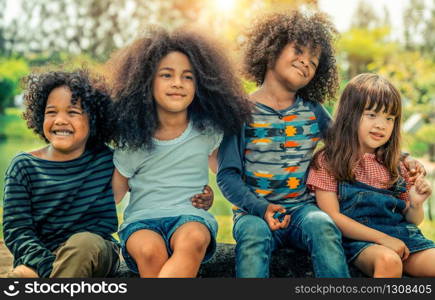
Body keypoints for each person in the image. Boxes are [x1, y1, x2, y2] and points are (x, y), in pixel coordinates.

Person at [217, 10, 424, 278]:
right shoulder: (240, 112)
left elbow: (348, 139)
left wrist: (402, 158)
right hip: (253, 213)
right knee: (254, 240)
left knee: (323, 226)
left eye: (314, 62)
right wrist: (260, 208)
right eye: (299, 51)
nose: (306, 62)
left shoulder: (312, 110)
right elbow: (227, 175)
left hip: (303, 209)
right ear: (270, 49)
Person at [107, 27, 251, 278]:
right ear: (145, 82)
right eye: (166, 75)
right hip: (141, 222)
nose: (177, 83)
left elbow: (229, 174)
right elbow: (112, 197)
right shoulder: (133, 142)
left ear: (202, 84)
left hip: (190, 218)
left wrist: (213, 196)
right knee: (151, 251)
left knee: (193, 239)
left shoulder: (208, 132)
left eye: (188, 77)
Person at [307, 73, 435, 278]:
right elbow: (332, 216)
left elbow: (412, 221)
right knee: (389, 261)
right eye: (371, 114)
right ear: (350, 115)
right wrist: (383, 239)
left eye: (389, 118)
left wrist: (416, 204)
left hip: (403, 237)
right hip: (358, 240)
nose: (381, 125)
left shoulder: (396, 165)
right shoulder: (329, 160)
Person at [3, 70, 119, 278]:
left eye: (72, 112)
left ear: (93, 119)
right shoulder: (24, 167)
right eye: (51, 112)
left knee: (82, 243)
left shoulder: (107, 160)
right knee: (19, 277)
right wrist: (48, 267)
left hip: (94, 251)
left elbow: (151, 178)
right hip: (40, 257)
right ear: (40, 116)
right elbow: (17, 230)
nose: (60, 120)